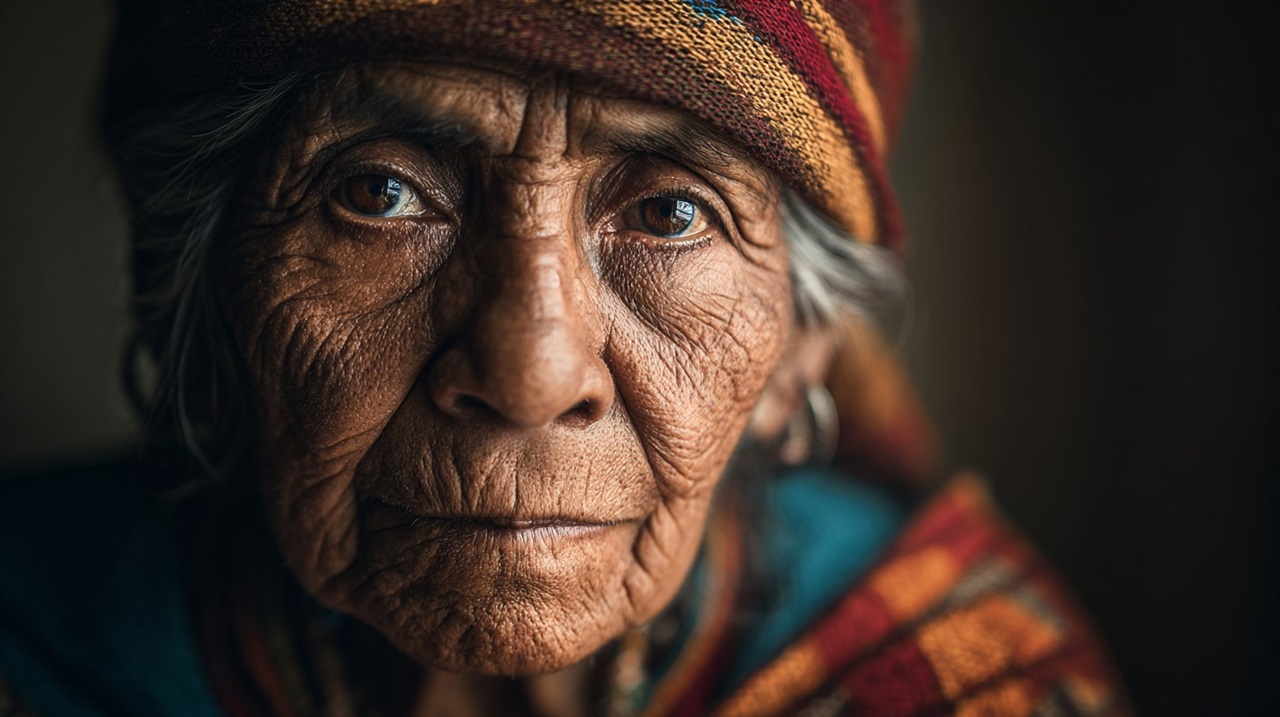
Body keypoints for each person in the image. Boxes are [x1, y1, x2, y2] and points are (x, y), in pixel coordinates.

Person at [0, 1, 1129, 715]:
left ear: (801, 354)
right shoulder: (35, 642)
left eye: (672, 214)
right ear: (198, 292)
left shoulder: (969, 684)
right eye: (380, 192)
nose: (531, 374)